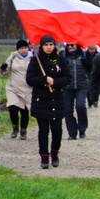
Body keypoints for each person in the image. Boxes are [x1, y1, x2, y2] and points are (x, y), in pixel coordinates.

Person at [25, 35, 71, 168]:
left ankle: (55, 153)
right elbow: (30, 79)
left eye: (51, 45)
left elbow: (67, 78)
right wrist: (44, 79)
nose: (49, 47)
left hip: (57, 101)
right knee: (43, 130)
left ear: (54, 46)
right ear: (41, 46)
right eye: (46, 45)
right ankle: (44, 157)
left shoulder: (61, 60)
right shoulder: (35, 61)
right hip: (41, 101)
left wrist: (55, 82)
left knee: (57, 130)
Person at [0, 39, 33, 140]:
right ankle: (15, 128)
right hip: (13, 87)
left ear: (28, 48)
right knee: (13, 108)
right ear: (18, 49)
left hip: (27, 88)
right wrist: (3, 68)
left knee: (24, 111)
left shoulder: (32, 58)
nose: (23, 50)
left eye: (25, 48)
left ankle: (23, 131)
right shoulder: (13, 57)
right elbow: (5, 72)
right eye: (21, 48)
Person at [60, 42, 91, 140]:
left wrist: (85, 60)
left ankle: (82, 129)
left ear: (77, 45)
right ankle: (72, 133)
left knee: (80, 106)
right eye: (68, 45)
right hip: (67, 87)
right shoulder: (63, 57)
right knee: (67, 110)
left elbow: (91, 67)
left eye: (72, 45)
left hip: (82, 86)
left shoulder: (84, 55)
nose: (70, 47)